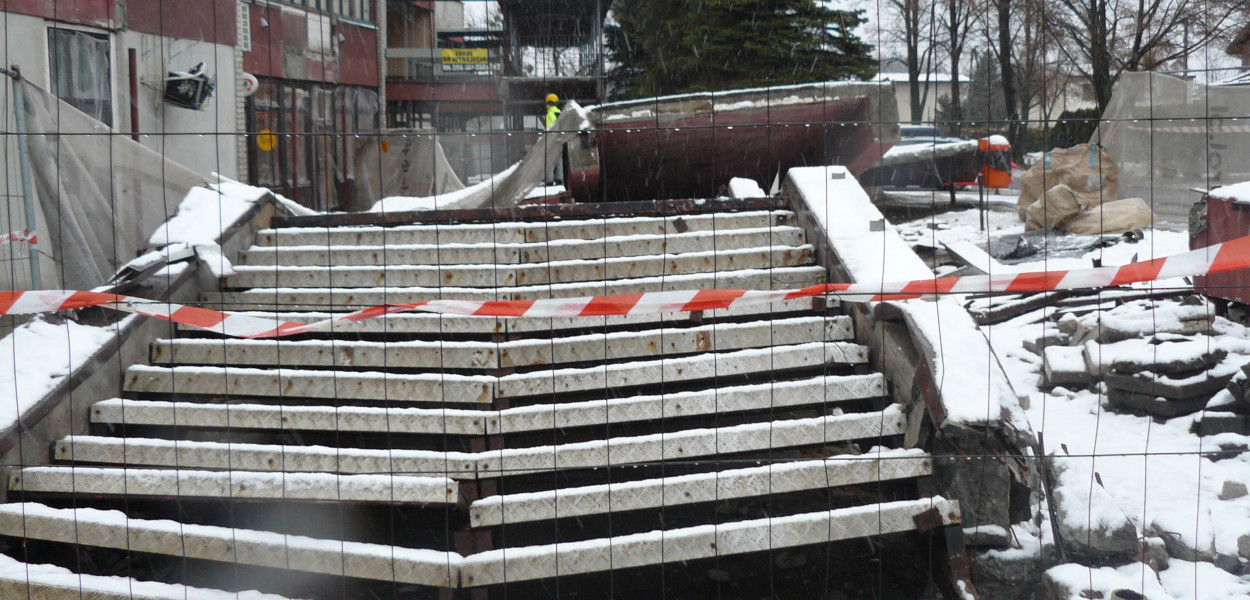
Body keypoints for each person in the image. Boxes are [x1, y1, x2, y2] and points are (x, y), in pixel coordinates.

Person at [544, 93, 564, 185]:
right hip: (560, 140)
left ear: (548, 104)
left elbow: (549, 129)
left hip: (552, 141)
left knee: (549, 161)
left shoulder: (550, 115)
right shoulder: (560, 113)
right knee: (559, 160)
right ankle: (559, 179)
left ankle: (549, 180)